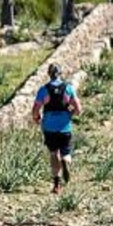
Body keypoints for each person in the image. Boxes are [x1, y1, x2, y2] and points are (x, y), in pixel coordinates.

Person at [32, 64, 82, 195]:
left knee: (53, 154)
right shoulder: (68, 89)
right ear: (60, 74)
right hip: (65, 127)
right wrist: (70, 114)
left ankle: (56, 185)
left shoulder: (43, 90)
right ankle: (65, 161)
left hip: (49, 127)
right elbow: (78, 109)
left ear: (49, 74)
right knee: (66, 153)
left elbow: (35, 109)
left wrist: (37, 118)